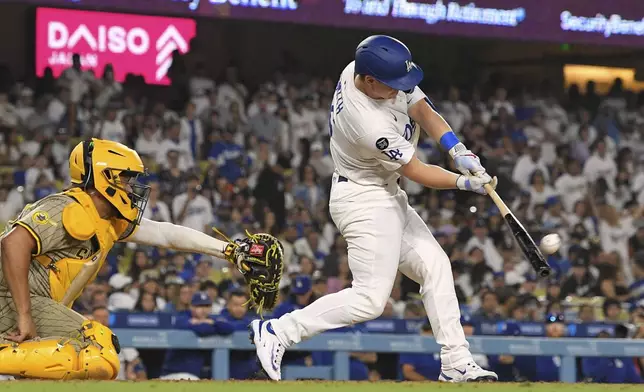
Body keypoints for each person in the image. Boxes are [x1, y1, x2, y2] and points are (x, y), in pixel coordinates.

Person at [250, 35, 498, 382]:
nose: (400, 90)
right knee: (370, 299)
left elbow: (422, 109)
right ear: (369, 82)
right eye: (392, 85)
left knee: (435, 266)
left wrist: (456, 148)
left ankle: (455, 361)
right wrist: (463, 183)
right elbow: (416, 171)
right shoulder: (366, 121)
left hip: (385, 193)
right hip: (363, 200)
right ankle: (279, 331)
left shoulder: (363, 68)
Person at [0, 138, 274, 380]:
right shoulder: (68, 206)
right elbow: (12, 243)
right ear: (102, 177)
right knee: (96, 348)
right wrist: (24, 315)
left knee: (74, 360)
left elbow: (165, 234)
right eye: (125, 179)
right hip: (9, 302)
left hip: (29, 302)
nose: (131, 188)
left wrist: (229, 250)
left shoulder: (106, 219)